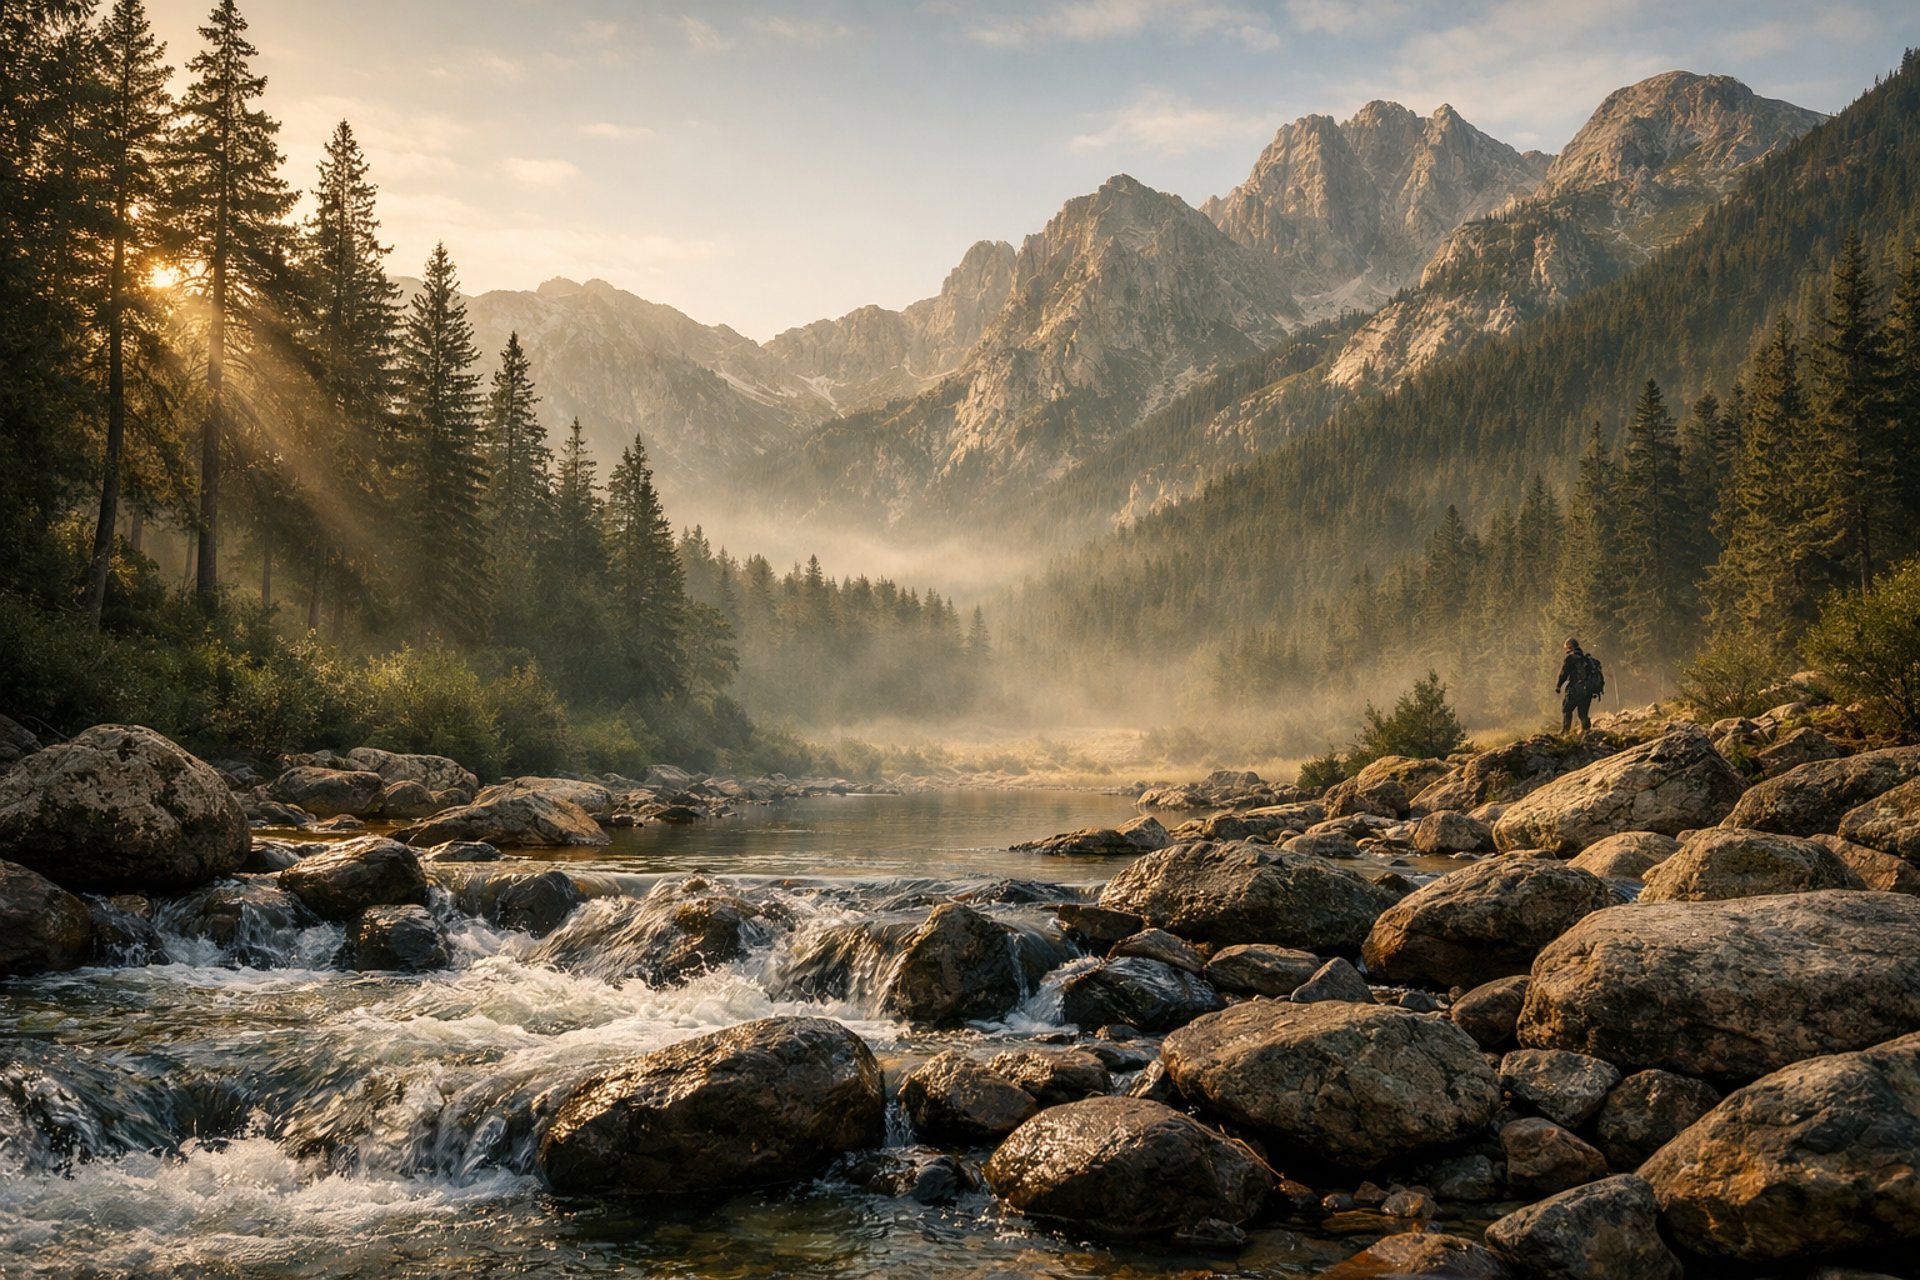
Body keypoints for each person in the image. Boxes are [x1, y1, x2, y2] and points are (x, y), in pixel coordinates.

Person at [1556, 637, 1597, 734]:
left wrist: (1558, 686)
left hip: (1575, 689)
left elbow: (1563, 673)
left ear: (1569, 647)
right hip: (1588, 690)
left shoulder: (1570, 657)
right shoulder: (1586, 658)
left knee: (1566, 709)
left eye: (1566, 648)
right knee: (1583, 714)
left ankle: (1565, 732)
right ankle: (1587, 732)